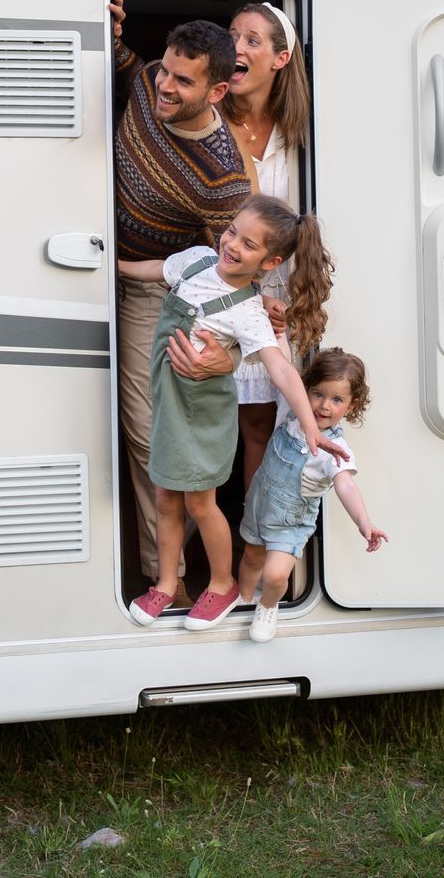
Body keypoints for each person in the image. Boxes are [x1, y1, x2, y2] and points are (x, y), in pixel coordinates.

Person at [116, 195, 345, 630]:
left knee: (200, 504)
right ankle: (166, 584)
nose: (234, 245)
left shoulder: (248, 311)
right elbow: (156, 270)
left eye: (250, 244)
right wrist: (115, 267)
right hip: (169, 402)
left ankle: (221, 584)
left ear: (270, 261)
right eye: (233, 231)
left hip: (202, 415)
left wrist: (311, 428)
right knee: (165, 496)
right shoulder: (197, 262)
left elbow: (281, 368)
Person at [109, 0, 251, 593]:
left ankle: (165, 580)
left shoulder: (223, 178)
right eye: (166, 71)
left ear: (217, 91)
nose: (166, 88)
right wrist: (112, 33)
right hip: (89, 269)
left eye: (183, 83)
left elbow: (236, 277)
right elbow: (124, 69)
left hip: (155, 296)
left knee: (151, 439)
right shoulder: (148, 84)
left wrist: (233, 350)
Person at [220, 2, 321, 489]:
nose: (236, 47)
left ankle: (258, 551)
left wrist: (291, 298)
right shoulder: (212, 122)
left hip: (284, 297)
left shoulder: (299, 132)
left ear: (280, 60)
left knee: (267, 425)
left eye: (251, 40)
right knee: (224, 426)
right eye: (232, 36)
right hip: (229, 290)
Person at [238, 348, 387, 643]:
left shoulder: (336, 449)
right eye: (318, 394)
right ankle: (242, 598)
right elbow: (282, 360)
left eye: (337, 400)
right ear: (305, 389)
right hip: (259, 506)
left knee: (276, 575)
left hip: (290, 522)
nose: (324, 406)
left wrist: (364, 522)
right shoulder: (294, 415)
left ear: (351, 404)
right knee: (251, 558)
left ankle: (268, 606)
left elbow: (345, 485)